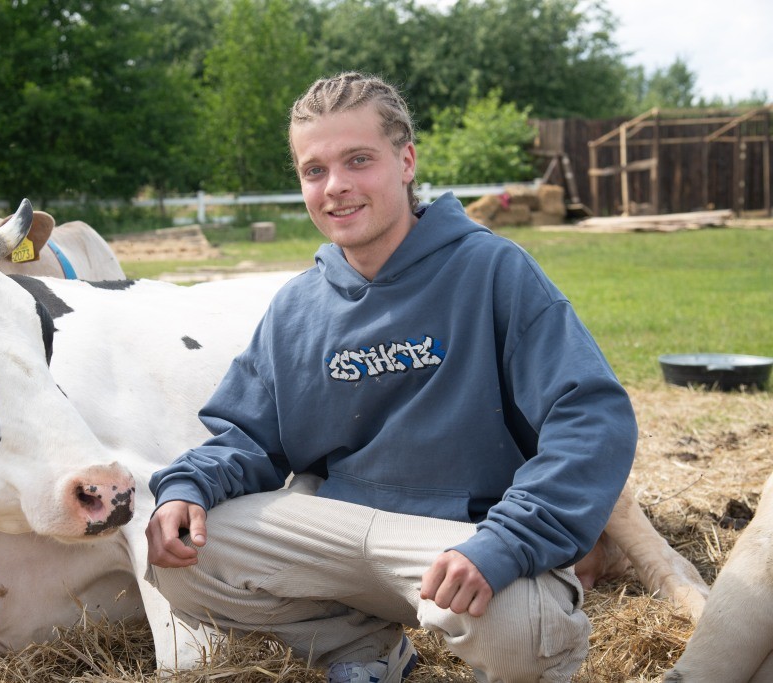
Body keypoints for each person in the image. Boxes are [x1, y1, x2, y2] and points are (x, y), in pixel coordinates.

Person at [145, 72, 637, 683]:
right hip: (337, 531)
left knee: (526, 636)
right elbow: (247, 437)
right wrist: (186, 488)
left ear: (406, 161)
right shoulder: (297, 306)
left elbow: (591, 418)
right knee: (183, 554)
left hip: (465, 537)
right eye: (314, 170)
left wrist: (506, 544)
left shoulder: (492, 269)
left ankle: (515, 614)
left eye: (358, 161)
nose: (336, 188)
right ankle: (362, 653)